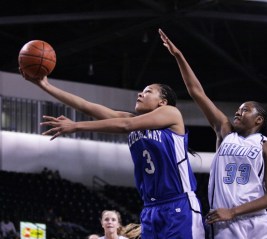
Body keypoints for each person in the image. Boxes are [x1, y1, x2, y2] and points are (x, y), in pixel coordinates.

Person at [20, 70, 205, 238]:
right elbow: (86, 106)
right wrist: (44, 85)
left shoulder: (171, 114)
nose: (140, 94)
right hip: (150, 208)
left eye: (148, 91)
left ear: (162, 102)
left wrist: (75, 126)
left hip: (179, 204)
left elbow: (126, 126)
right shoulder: (133, 121)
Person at [159, 29, 267, 238]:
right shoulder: (225, 131)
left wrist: (233, 211)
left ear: (259, 119)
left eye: (245, 109)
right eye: (238, 108)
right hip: (226, 222)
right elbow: (197, 92)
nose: (237, 111)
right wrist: (179, 56)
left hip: (258, 221)